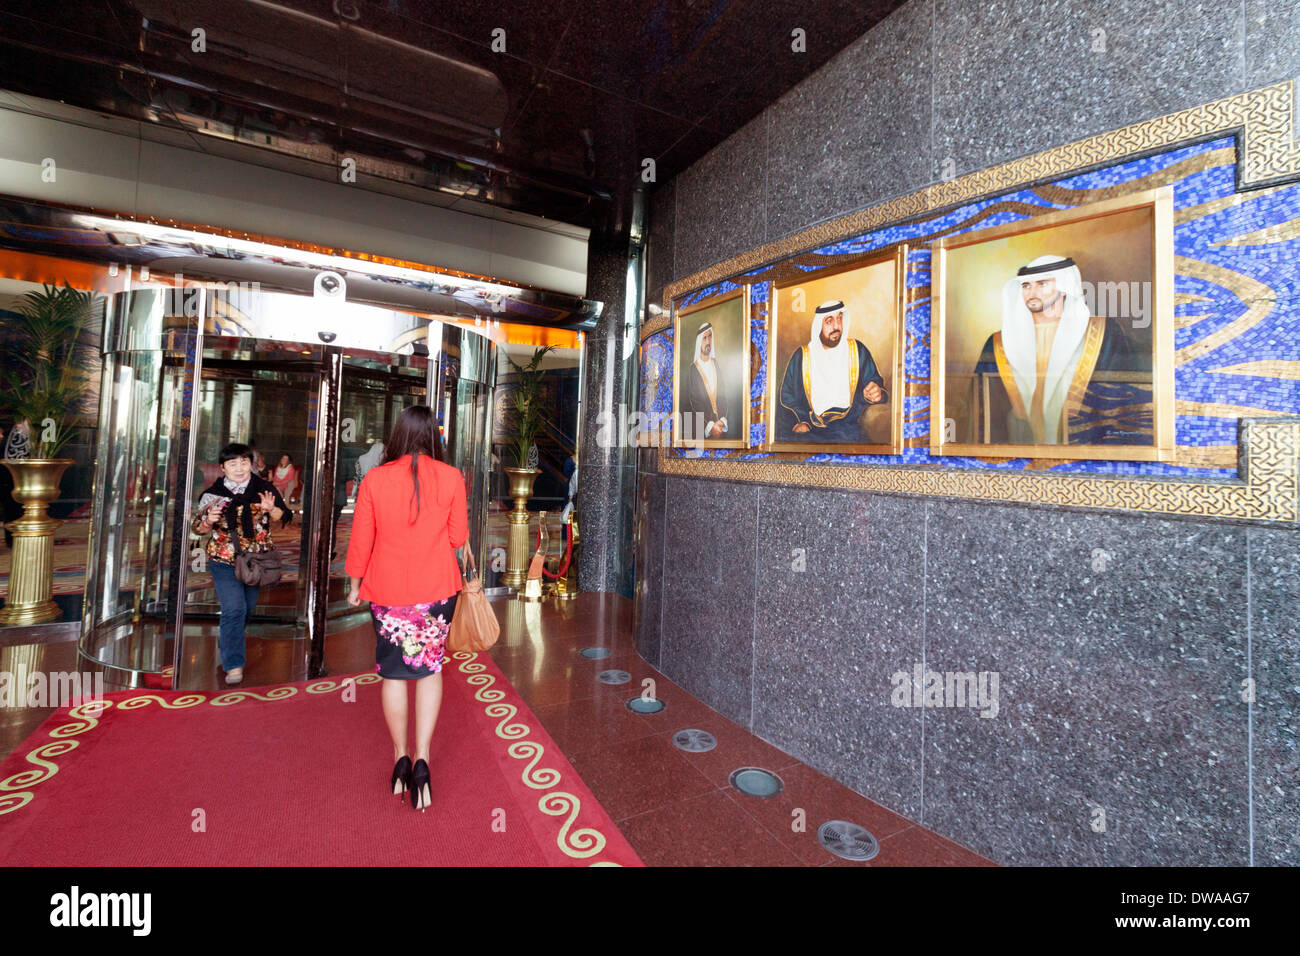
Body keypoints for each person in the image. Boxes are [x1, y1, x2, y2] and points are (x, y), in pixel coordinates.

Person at [345, 405, 468, 812]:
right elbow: (458, 536)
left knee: (393, 675)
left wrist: (355, 584)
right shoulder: (452, 477)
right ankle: (423, 761)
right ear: (435, 435)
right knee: (429, 671)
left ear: (397, 434)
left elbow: (362, 536)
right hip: (436, 590)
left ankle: (399, 756)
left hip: (388, 591)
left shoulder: (376, 479)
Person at [973, 255, 1149, 445]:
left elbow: (1122, 400)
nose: (1032, 292)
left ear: (1065, 289)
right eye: (1026, 286)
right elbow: (984, 412)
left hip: (1083, 455)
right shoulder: (998, 343)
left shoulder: (1103, 333)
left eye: (1042, 284)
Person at [192, 442, 290, 685]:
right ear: (223, 468)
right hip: (223, 559)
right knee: (234, 609)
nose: (239, 468)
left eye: (244, 462)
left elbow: (284, 516)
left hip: (255, 561)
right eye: (232, 463)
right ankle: (233, 664)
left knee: (246, 609)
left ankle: (228, 636)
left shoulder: (263, 489)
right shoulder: (212, 494)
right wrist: (208, 520)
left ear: (251, 464)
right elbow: (198, 529)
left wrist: (272, 510)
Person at [777, 300, 888, 442]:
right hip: (811, 429)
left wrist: (875, 393)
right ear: (818, 326)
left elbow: (876, 386)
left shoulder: (857, 351)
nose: (837, 326)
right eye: (829, 321)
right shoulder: (802, 357)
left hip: (851, 427)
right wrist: (802, 421)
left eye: (840, 319)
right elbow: (786, 397)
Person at [680, 322, 731, 440]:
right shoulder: (693, 369)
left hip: (720, 428)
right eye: (704, 338)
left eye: (710, 336)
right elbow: (693, 402)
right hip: (702, 430)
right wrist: (711, 426)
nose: (708, 341)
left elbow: (723, 394)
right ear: (699, 342)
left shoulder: (716, 364)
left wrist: (721, 421)